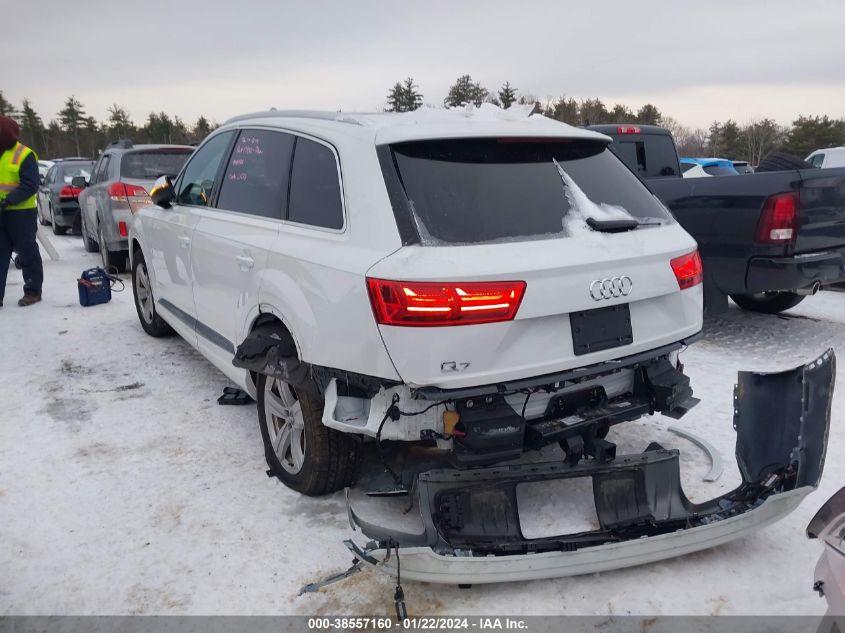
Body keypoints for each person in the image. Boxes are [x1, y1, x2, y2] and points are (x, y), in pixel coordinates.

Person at [0, 116, 42, 307]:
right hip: (2, 213)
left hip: (22, 214)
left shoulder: (24, 155)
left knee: (27, 252)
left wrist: (8, 201)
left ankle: (33, 291)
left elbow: (30, 185)